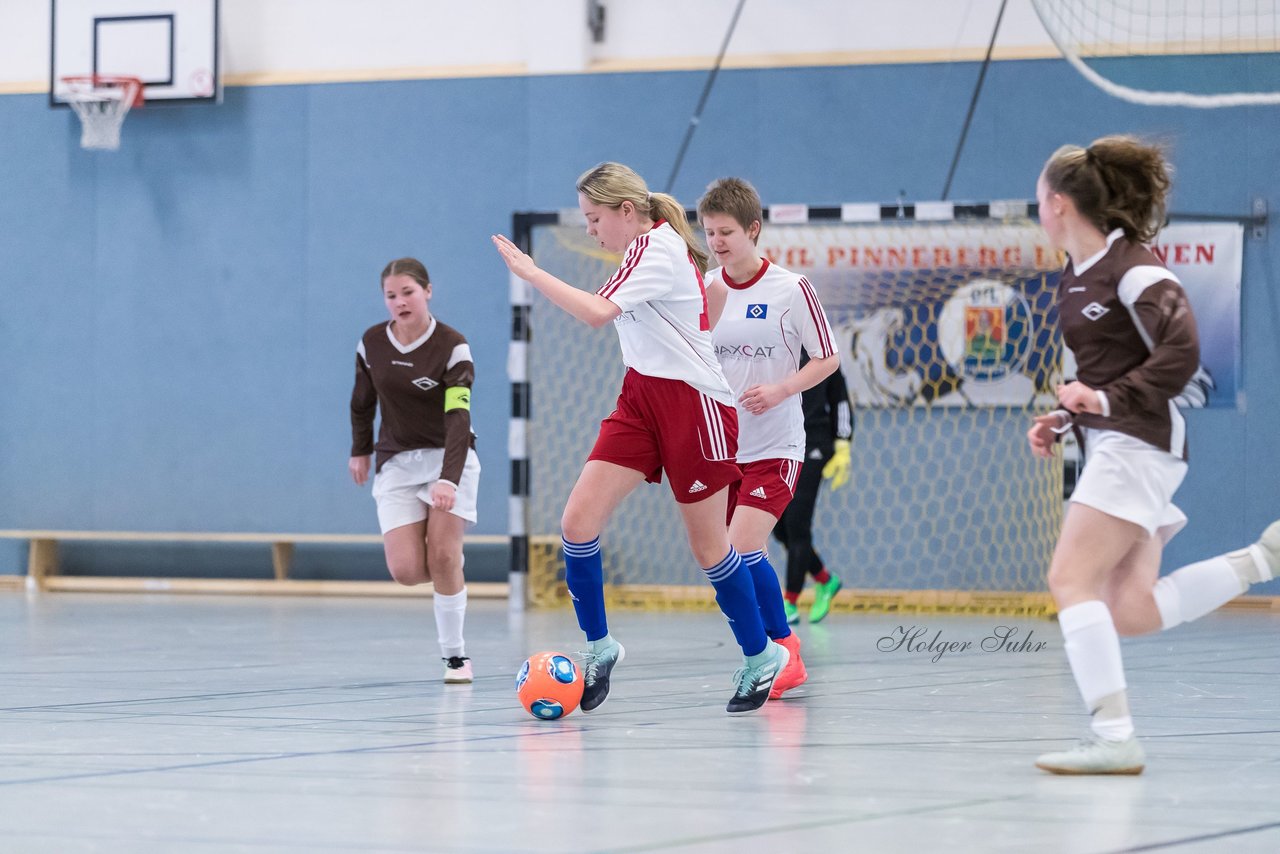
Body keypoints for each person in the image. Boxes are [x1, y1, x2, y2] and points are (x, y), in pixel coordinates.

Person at [492, 162, 788, 715]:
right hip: (640, 399)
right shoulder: (637, 252)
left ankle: (761, 654)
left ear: (627, 211)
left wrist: (531, 273)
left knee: (709, 547)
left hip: (692, 404)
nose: (590, 230)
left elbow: (596, 314)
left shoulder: (657, 250)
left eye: (594, 217)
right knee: (577, 523)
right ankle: (600, 647)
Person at [1029, 135, 1280, 774]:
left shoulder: (1135, 267)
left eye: (1039, 198)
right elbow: (1112, 370)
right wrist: (1067, 415)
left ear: (1057, 203)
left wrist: (1104, 404)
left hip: (1138, 445)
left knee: (1069, 579)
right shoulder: (1074, 277)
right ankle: (1263, 557)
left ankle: (1115, 739)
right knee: (1129, 611)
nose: (1038, 208)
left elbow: (1182, 354)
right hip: (1120, 441)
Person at [699, 177, 840, 700]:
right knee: (731, 557)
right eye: (710, 232)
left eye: (727, 232)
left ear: (754, 229)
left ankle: (782, 650)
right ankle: (774, 655)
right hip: (722, 447)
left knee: (742, 544)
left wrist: (782, 388)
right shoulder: (708, 290)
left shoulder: (791, 288)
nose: (716, 242)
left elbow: (828, 359)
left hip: (776, 446)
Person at [349, 258, 481, 684]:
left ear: (427, 291)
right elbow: (362, 402)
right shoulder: (371, 343)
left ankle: (455, 656)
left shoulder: (452, 346)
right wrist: (360, 450)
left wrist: (449, 477)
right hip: (397, 461)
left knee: (442, 554)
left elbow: (459, 417)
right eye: (391, 295)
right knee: (406, 570)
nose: (400, 302)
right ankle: (450, 569)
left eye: (407, 292)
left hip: (449, 455)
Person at [772, 350, 853, 625]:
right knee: (779, 528)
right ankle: (825, 580)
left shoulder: (823, 354)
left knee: (797, 525)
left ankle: (790, 602)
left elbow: (840, 400)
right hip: (780, 443)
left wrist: (843, 443)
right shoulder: (778, 348)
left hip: (814, 445)